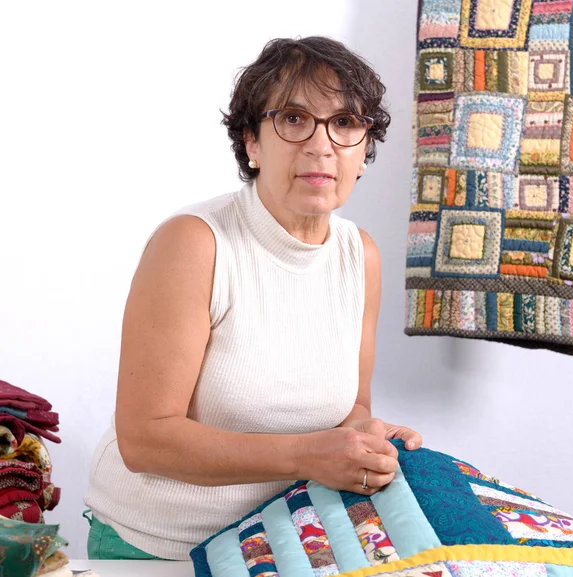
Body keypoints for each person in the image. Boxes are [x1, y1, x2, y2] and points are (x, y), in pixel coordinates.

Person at [83, 35, 423, 561]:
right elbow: (144, 440)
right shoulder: (196, 243)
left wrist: (364, 436)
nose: (321, 145)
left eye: (345, 123)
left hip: (281, 541)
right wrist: (311, 455)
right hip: (162, 546)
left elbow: (350, 405)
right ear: (251, 142)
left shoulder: (361, 256)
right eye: (293, 119)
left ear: (363, 150)